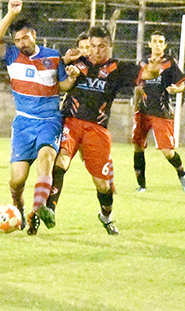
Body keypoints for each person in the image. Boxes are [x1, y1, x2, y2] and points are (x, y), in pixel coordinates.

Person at [0, 0, 78, 235]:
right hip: (23, 124)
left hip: (49, 120)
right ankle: (19, 206)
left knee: (46, 162)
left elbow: (63, 86)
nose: (20, 43)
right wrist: (11, 14)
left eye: (24, 38)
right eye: (17, 40)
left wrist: (73, 77)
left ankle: (36, 211)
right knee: (17, 180)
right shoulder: (11, 55)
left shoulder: (53, 56)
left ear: (34, 35)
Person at [45, 27, 141, 235]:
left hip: (96, 129)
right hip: (71, 121)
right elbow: (51, 74)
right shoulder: (77, 63)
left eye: (102, 46)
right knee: (61, 161)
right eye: (93, 46)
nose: (96, 51)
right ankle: (49, 208)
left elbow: (144, 75)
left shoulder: (119, 69)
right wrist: (64, 61)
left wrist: (156, 74)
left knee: (103, 185)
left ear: (110, 46)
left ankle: (106, 215)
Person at [132, 31, 185, 193]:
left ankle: (182, 173)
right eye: (155, 41)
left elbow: (182, 85)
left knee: (168, 152)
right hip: (143, 111)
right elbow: (138, 85)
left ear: (164, 45)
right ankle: (141, 185)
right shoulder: (143, 62)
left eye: (161, 42)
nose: (157, 45)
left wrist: (176, 89)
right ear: (150, 44)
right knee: (138, 147)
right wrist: (135, 106)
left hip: (161, 112)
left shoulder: (169, 63)